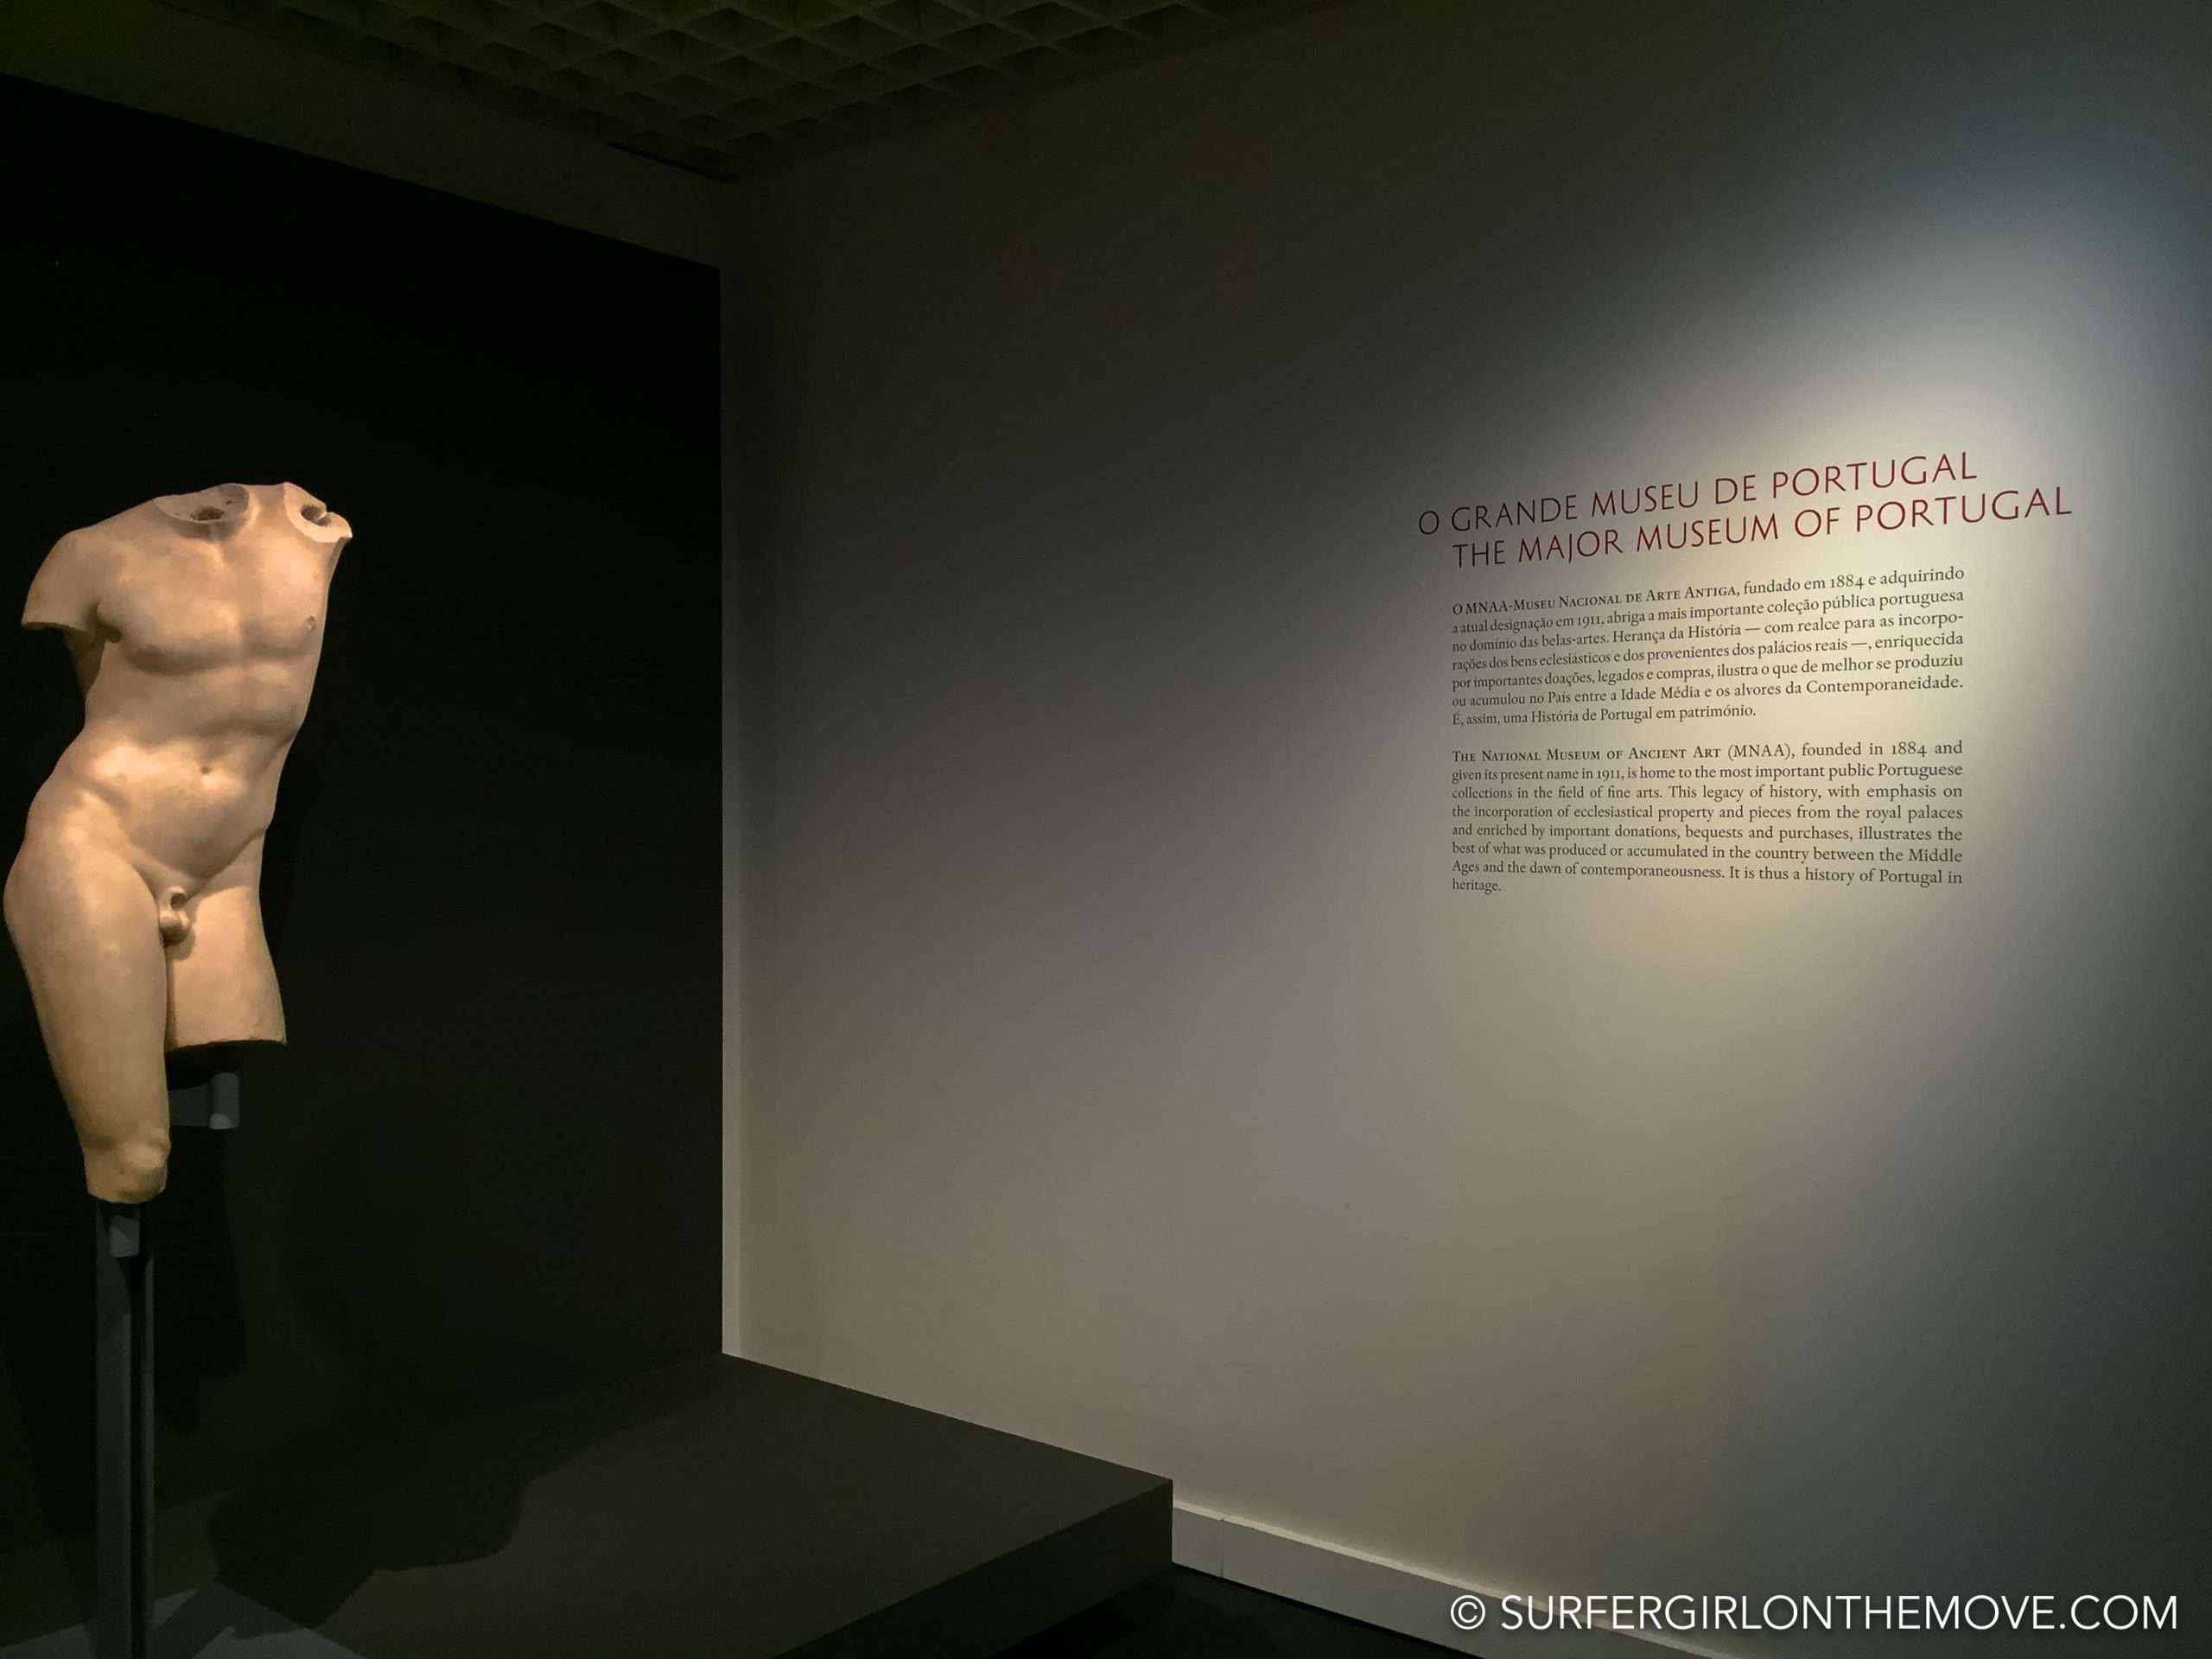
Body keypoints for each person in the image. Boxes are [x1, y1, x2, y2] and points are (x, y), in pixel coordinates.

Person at [5, 482, 350, 1201]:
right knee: (133, 1163)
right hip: (99, 843)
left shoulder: (305, 528)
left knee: (211, 1116)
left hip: (228, 874)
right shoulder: (90, 555)